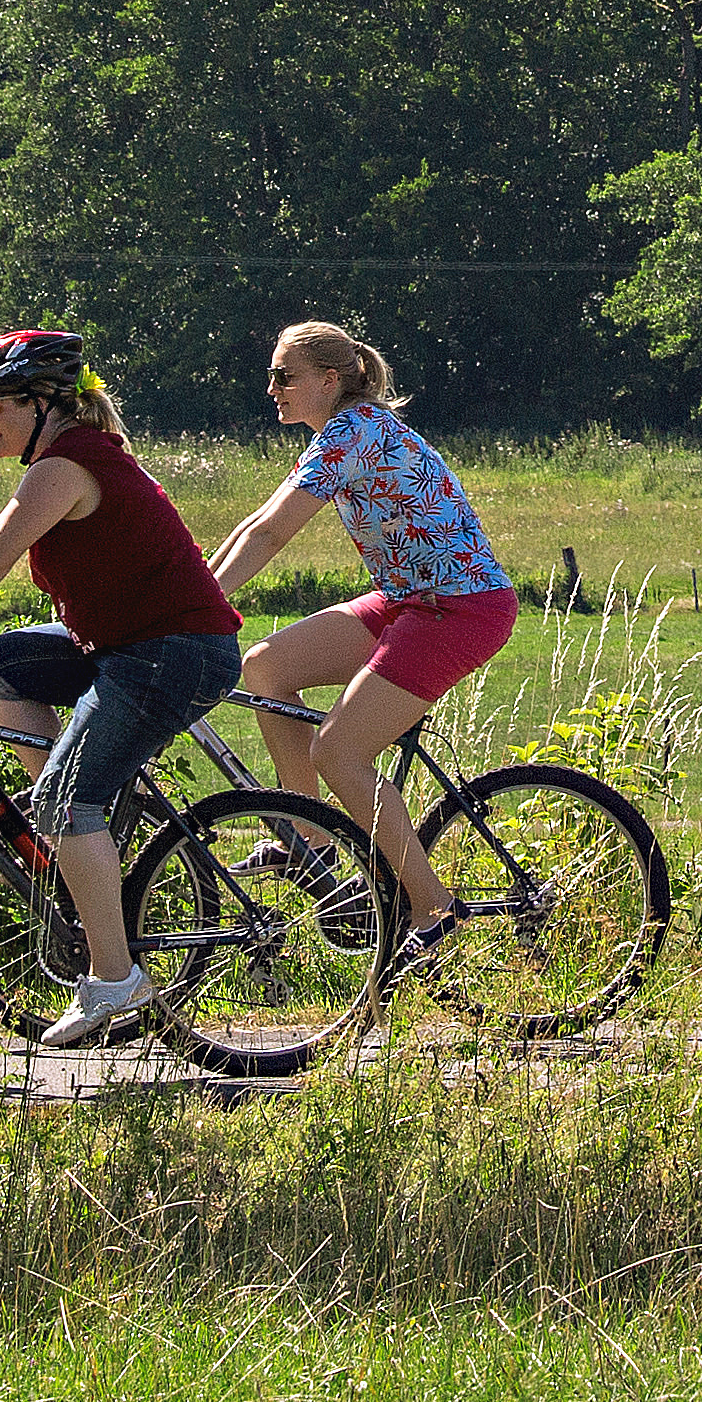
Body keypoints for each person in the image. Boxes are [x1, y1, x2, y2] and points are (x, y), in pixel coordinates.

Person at [0, 325, 249, 1045]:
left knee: (64, 799)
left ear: (43, 401)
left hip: (171, 654)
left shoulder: (70, 463)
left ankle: (116, 979)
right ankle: (73, 833)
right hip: (126, 647)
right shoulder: (59, 460)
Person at [203, 320, 517, 963]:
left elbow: (270, 537)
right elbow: (254, 524)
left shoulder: (356, 430)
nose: (272, 389)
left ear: (330, 380)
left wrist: (195, 610)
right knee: (266, 668)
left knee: (338, 750)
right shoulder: (339, 432)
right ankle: (306, 841)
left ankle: (434, 909)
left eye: (283, 376)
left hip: (459, 609)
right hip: (409, 600)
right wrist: (195, 593)